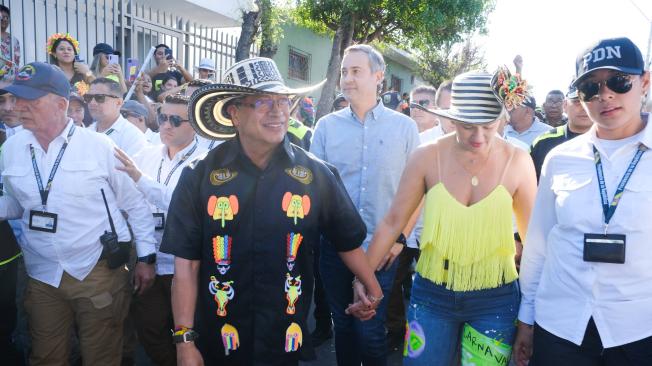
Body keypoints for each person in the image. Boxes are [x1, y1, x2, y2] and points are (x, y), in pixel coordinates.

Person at [159, 57, 382, 366]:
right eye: (264, 102)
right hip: (219, 341)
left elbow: (347, 239)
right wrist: (184, 341)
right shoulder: (199, 177)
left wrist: (369, 284)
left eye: (283, 101)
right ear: (234, 113)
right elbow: (186, 266)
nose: (278, 112)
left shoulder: (315, 174)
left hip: (283, 340)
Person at [358, 69, 537, 365]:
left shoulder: (518, 161)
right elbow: (393, 221)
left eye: (489, 124)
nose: (478, 136)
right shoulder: (426, 156)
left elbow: (534, 244)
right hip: (431, 296)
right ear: (452, 118)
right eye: (468, 125)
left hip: (495, 299)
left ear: (503, 117)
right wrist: (364, 277)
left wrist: (529, 320)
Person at [0, 61, 157, 365]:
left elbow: (135, 204)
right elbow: (18, 205)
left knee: (101, 357)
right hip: (42, 273)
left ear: (61, 104)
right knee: (46, 357)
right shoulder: (12, 148)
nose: (17, 106)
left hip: (96, 271)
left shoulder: (99, 146)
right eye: (15, 97)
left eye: (28, 99)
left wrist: (147, 258)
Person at [513, 36, 652, 366]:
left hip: (638, 329)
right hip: (561, 327)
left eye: (619, 81)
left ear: (644, 82)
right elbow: (539, 245)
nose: (605, 95)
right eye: (590, 88)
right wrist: (526, 320)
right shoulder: (560, 159)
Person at [311, 44, 420, 365]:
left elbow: (419, 191)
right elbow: (316, 192)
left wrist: (400, 240)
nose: (347, 79)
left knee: (371, 330)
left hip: (383, 250)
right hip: (335, 251)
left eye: (355, 71)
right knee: (342, 325)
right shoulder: (326, 128)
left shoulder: (405, 128)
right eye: (344, 71)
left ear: (378, 77)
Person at [114, 94, 207, 366]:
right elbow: (130, 203)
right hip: (150, 257)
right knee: (150, 329)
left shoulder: (206, 160)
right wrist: (144, 256)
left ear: (197, 125)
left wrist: (139, 179)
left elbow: (184, 205)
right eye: (163, 117)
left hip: (188, 265)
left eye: (176, 120)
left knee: (191, 333)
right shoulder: (146, 155)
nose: (166, 125)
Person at [530, 85, 593, 180]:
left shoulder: (615, 141)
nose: (584, 107)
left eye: (589, 100)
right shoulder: (543, 143)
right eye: (577, 101)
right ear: (565, 105)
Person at [87, 77, 148, 156]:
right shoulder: (85, 133)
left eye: (99, 97)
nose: (92, 103)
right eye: (88, 97)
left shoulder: (133, 137)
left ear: (118, 102)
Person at [0, 5, 20, 80]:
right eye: (2, 17)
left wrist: (16, 78)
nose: (5, 19)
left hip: (9, 81)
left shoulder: (14, 41)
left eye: (7, 17)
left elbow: (16, 62)